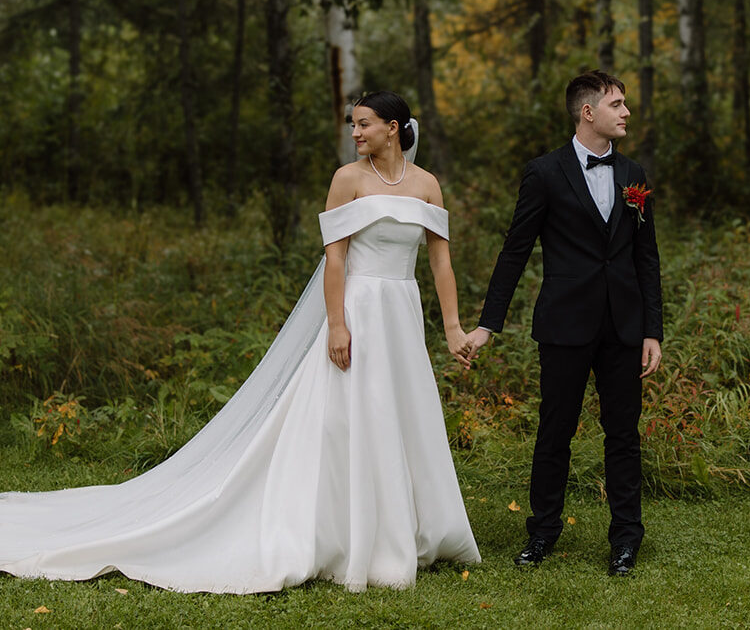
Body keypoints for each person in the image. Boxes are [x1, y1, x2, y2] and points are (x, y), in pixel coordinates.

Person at [0, 91, 480, 592]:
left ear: (394, 127)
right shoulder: (347, 180)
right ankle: (350, 533)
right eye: (353, 125)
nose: (355, 133)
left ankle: (409, 527)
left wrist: (450, 328)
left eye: (363, 124)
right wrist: (337, 325)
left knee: (403, 410)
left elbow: (440, 260)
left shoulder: (426, 185)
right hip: (358, 309)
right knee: (355, 414)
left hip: (400, 312)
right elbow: (335, 259)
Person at [466, 70, 663, 577]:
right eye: (617, 104)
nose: (625, 112)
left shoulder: (634, 175)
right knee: (555, 432)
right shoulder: (544, 173)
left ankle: (625, 540)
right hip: (564, 324)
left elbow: (647, 259)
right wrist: (488, 324)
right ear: (588, 112)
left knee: (623, 435)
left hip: (624, 327)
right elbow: (515, 252)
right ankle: (542, 532)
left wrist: (652, 331)